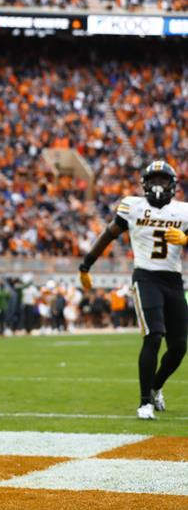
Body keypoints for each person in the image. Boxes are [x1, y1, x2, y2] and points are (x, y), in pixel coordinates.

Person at [79, 161, 188, 420]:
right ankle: (144, 402)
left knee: (180, 347)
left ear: (172, 185)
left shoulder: (183, 211)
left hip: (173, 280)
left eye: (163, 180)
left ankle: (156, 386)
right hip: (146, 277)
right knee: (154, 335)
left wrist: (186, 239)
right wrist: (86, 265)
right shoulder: (132, 206)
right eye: (154, 180)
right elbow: (108, 234)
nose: (158, 186)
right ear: (145, 184)